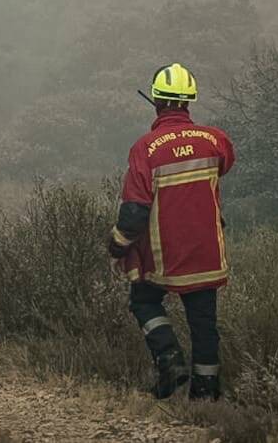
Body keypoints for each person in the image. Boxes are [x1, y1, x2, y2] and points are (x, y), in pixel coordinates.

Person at [106, 62, 235, 400]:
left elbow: (134, 212)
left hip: (164, 257)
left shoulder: (145, 149)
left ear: (156, 100)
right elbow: (224, 165)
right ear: (189, 101)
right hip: (208, 253)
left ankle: (170, 361)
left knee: (144, 300)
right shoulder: (215, 140)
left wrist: (117, 246)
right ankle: (206, 394)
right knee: (204, 321)